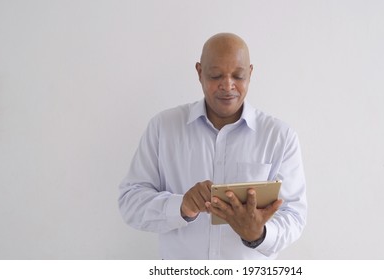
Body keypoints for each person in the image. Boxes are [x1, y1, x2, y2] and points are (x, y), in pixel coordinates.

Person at [118, 33, 307, 259]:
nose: (228, 86)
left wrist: (259, 233)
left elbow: (294, 215)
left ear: (251, 73)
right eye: (216, 75)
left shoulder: (280, 137)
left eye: (238, 76)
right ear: (199, 72)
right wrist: (180, 206)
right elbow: (130, 201)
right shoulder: (163, 128)